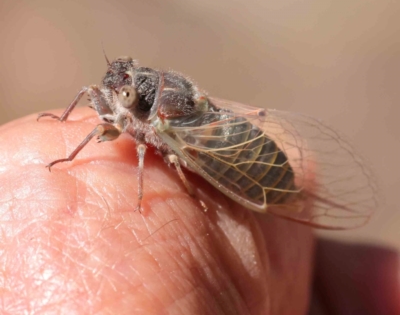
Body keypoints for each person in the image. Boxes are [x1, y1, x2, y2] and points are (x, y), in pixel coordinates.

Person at [0, 108, 398, 314]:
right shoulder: (127, 114)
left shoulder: (156, 126)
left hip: (223, 148)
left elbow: (148, 155)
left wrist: (143, 194)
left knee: (179, 161)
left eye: (125, 100)